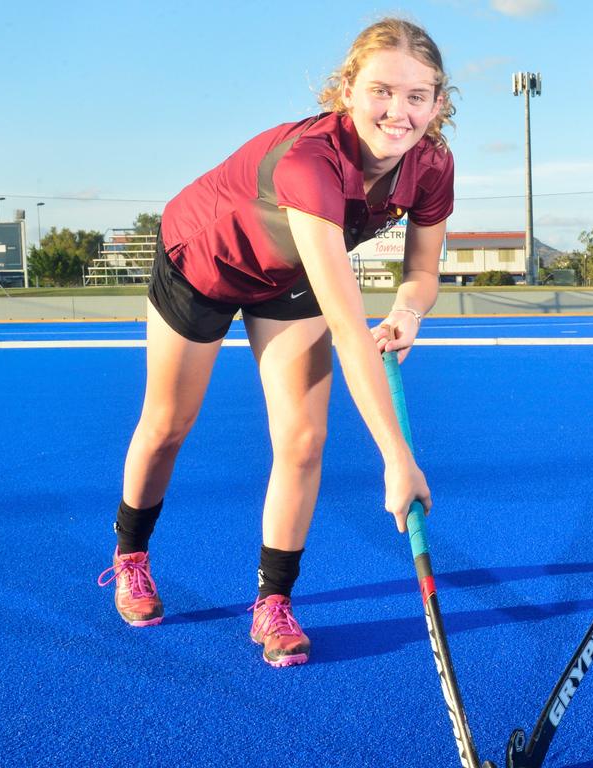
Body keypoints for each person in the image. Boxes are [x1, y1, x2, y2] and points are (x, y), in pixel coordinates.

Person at [97, 18, 455, 667]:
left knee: (303, 438)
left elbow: (423, 271)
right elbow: (348, 328)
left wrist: (408, 308)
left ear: (437, 103)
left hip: (288, 278)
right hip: (203, 262)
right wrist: (397, 457)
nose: (397, 112)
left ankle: (273, 601)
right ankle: (129, 557)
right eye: (381, 90)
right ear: (347, 90)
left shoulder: (430, 166)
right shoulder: (312, 161)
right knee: (168, 423)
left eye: (416, 96)